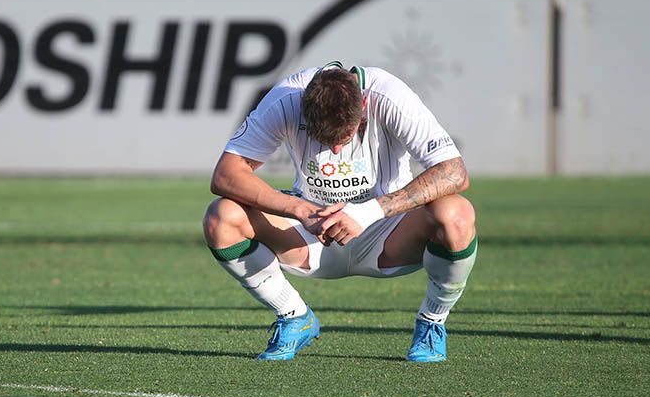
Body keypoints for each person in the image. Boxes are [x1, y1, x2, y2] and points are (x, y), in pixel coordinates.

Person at [203, 62, 478, 362]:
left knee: (457, 215)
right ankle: (293, 316)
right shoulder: (286, 97)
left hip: (387, 230)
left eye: (344, 138)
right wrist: (300, 209)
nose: (335, 151)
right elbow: (226, 175)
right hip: (312, 232)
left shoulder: (389, 95)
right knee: (221, 217)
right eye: (324, 140)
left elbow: (454, 172)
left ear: (364, 106)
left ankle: (432, 322)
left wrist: (368, 212)